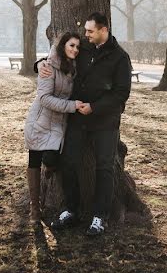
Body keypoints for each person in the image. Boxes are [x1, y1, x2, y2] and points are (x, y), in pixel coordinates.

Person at [40, 12, 132, 236]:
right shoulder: (85, 49)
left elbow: (121, 94)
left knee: (104, 168)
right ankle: (71, 210)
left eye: (91, 31)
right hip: (78, 119)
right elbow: (61, 55)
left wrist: (95, 107)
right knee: (68, 162)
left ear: (103, 30)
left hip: (105, 122)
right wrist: (40, 64)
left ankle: (100, 216)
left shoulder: (120, 58)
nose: (86, 35)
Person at [23, 32, 88, 223]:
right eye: (71, 46)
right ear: (63, 46)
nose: (75, 50)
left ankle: (48, 172)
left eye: (77, 47)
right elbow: (44, 98)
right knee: (34, 159)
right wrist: (72, 105)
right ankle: (35, 207)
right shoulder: (48, 67)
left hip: (59, 124)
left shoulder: (75, 66)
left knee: (52, 159)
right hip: (40, 121)